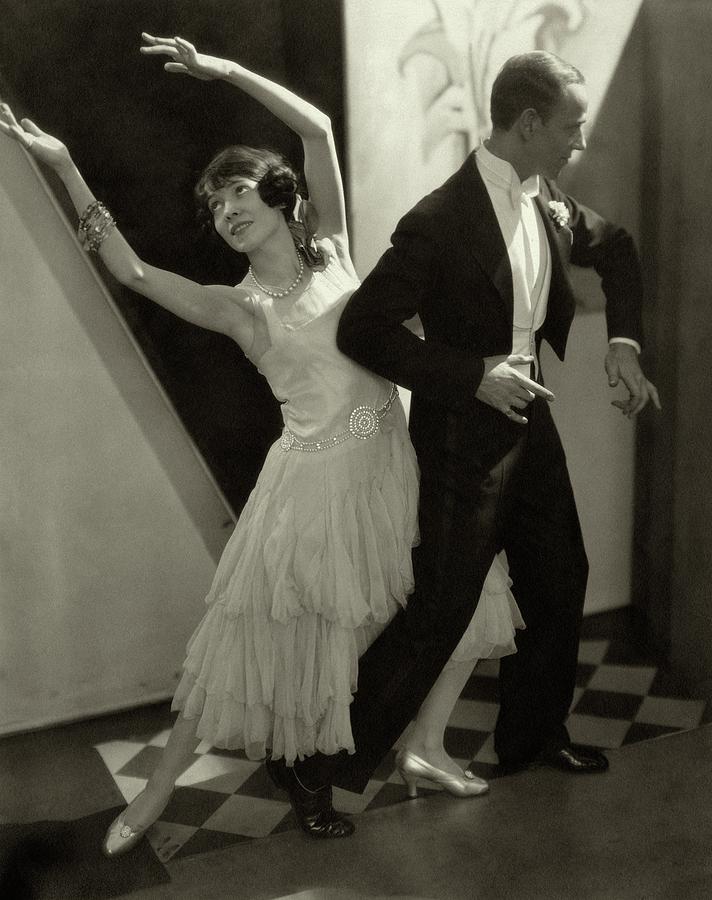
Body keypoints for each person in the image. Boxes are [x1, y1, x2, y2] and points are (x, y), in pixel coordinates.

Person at [0, 35, 524, 850]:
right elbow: (134, 273)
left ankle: (424, 746)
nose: (226, 212)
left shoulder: (341, 253)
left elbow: (315, 131)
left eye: (236, 193)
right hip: (313, 491)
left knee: (464, 596)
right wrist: (66, 167)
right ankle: (157, 796)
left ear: (278, 195)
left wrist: (225, 71)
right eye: (213, 208)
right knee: (269, 649)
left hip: (392, 466)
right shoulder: (238, 307)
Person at [286, 50, 661, 797]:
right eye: (570, 127)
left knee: (561, 579)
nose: (577, 141)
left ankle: (530, 739)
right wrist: (470, 378)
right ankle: (314, 768)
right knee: (441, 606)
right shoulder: (437, 221)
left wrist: (623, 343)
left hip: (533, 423)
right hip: (465, 433)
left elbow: (615, 249)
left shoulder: (544, 193)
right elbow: (365, 329)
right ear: (527, 123)